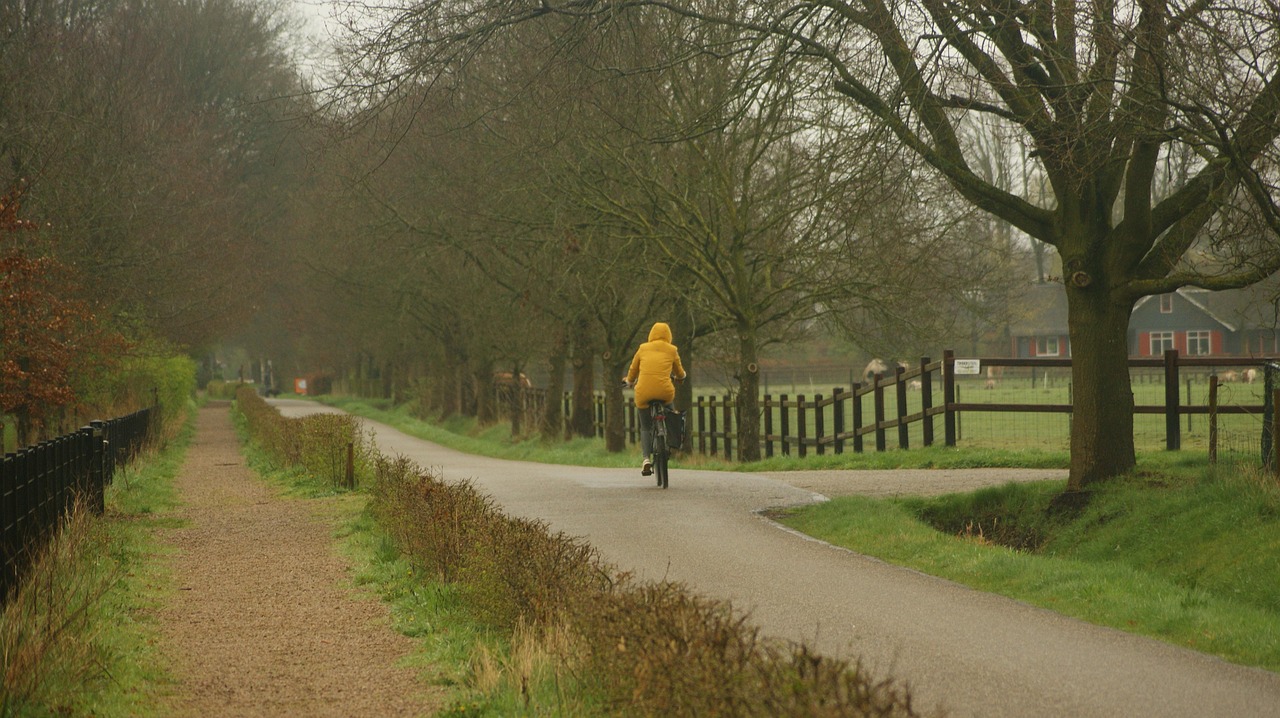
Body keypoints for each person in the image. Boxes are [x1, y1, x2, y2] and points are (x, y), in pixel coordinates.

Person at [623, 322, 687, 476]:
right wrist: (681, 377)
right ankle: (670, 441)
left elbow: (633, 369)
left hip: (643, 392)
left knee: (645, 427)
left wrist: (629, 381)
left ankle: (646, 459)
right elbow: (679, 371)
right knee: (671, 414)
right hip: (665, 392)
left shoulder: (643, 348)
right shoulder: (672, 350)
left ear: (651, 335)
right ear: (669, 336)